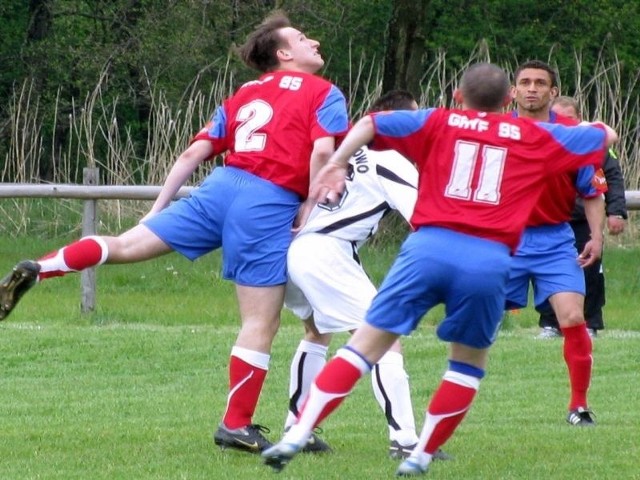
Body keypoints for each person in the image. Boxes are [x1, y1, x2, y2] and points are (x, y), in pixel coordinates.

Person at [0, 10, 349, 454]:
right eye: (302, 37)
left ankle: (42, 266)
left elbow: (192, 154)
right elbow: (322, 151)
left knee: (124, 245)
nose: (313, 41)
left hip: (220, 185)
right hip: (266, 200)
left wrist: (155, 212)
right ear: (283, 54)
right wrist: (309, 203)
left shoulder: (245, 92)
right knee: (260, 321)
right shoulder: (326, 92)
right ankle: (235, 425)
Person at [259, 62, 616, 476]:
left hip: (427, 248)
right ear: (508, 100)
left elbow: (371, 122)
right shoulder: (537, 135)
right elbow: (605, 137)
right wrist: (597, 128)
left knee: (365, 345)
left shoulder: (438, 120)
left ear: (459, 96)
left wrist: (337, 162)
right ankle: (421, 454)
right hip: (488, 256)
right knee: (466, 363)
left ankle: (298, 431)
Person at [283, 90, 448, 460]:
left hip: (296, 249)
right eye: (412, 121)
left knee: (316, 332)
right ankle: (405, 440)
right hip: (325, 252)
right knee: (384, 338)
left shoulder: (347, 152)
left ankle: (297, 427)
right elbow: (422, 218)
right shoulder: (389, 158)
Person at [507, 61, 607, 427]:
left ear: (553, 92)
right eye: (524, 83)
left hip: (554, 239)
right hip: (505, 238)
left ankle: (578, 406)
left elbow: (592, 191)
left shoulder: (572, 136)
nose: (532, 88)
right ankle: (450, 404)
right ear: (513, 92)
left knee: (573, 317)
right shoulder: (497, 132)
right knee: (474, 318)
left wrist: (596, 237)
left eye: (540, 83)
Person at [537, 96, 627, 338]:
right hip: (552, 220)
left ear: (578, 119)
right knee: (547, 273)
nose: (563, 122)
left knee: (590, 271)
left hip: (584, 221)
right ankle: (550, 324)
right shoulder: (542, 141)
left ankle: (591, 322)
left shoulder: (590, 143)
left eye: (569, 118)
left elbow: (613, 178)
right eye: (558, 117)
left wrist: (616, 211)